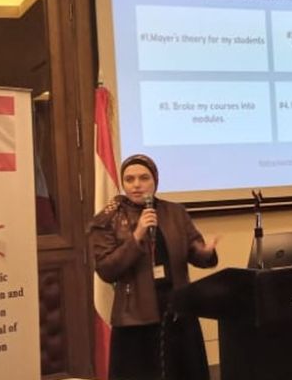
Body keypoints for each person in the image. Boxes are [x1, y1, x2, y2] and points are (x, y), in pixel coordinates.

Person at [90, 154, 218, 380]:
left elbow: (194, 251)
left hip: (177, 310)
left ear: (155, 181)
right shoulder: (108, 219)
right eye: (129, 179)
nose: (136, 185)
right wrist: (137, 235)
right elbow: (107, 270)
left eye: (143, 178)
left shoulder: (175, 212)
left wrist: (205, 253)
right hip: (135, 317)